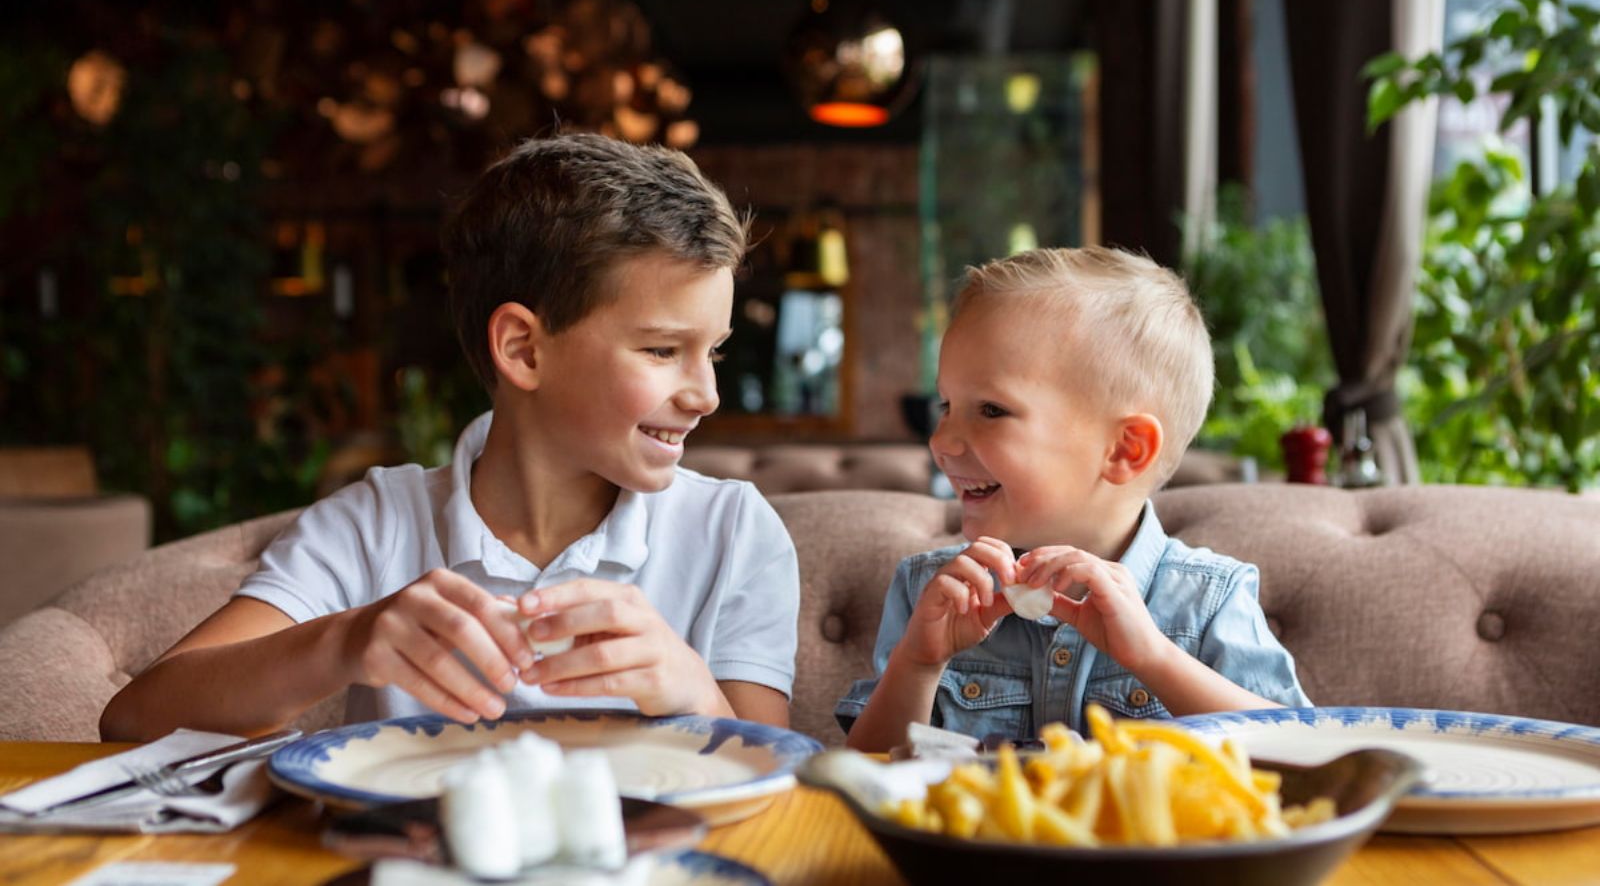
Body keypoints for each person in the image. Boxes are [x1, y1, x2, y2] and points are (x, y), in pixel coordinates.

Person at [101, 133, 800, 741]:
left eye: (713, 352)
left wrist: (690, 687)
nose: (705, 395)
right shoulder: (375, 524)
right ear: (524, 350)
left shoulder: (734, 531)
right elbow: (135, 717)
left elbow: (778, 786)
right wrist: (346, 640)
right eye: (660, 351)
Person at [838, 247, 1308, 751]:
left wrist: (1154, 658)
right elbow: (862, 776)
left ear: (1125, 450)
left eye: (991, 410)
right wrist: (918, 664)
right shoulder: (930, 592)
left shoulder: (1208, 603)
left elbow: (1301, 752)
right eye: (947, 405)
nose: (941, 441)